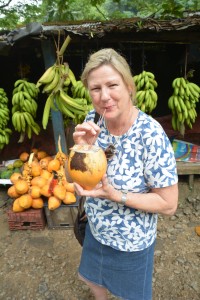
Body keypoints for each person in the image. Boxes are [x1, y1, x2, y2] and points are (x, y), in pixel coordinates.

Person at [72, 48, 178, 300]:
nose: (104, 96)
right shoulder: (93, 120)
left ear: (129, 86)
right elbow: (81, 173)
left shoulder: (150, 135)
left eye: (112, 85)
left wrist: (115, 195)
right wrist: (80, 149)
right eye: (96, 89)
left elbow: (168, 204)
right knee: (93, 280)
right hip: (96, 231)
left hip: (131, 243)